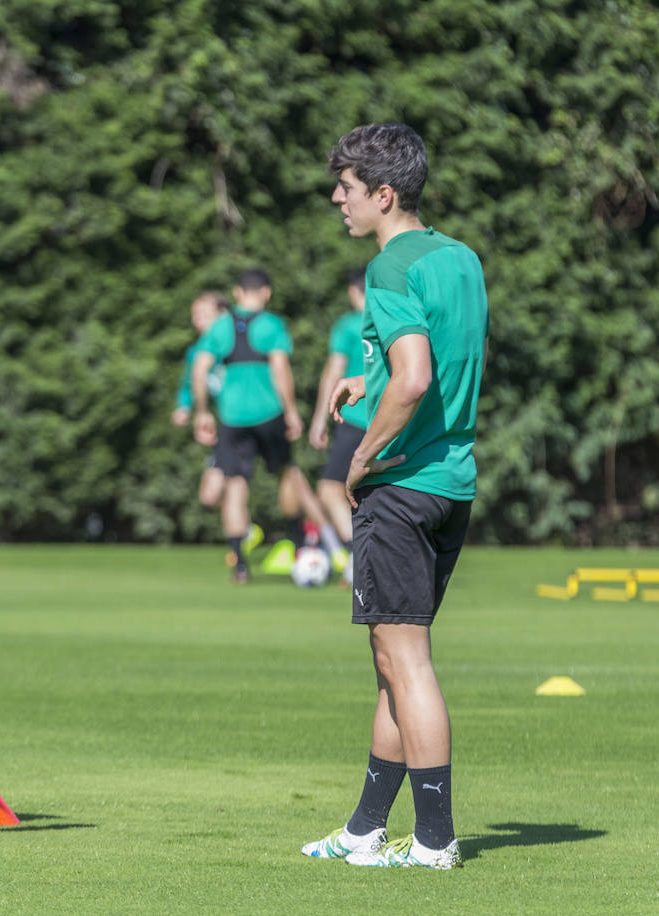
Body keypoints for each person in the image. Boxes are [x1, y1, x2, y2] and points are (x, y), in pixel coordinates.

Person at [301, 123, 487, 869]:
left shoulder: (387, 269)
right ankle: (365, 829)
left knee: (406, 660)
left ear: (383, 194)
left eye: (344, 188)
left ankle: (435, 840)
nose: (336, 200)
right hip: (452, 481)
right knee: (391, 656)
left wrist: (362, 460)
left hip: (402, 486)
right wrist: (363, 380)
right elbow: (432, 361)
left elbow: (413, 378)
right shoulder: (459, 256)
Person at [190, 269, 335, 584]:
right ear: (266, 293)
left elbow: (199, 368)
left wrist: (202, 412)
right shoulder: (272, 325)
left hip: (231, 417)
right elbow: (280, 369)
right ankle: (299, 543)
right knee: (286, 474)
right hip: (269, 414)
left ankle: (240, 566)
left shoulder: (220, 327)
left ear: (237, 292)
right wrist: (292, 411)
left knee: (235, 486)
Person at [307, 268, 368, 567]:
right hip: (397, 420)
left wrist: (319, 419)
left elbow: (333, 371)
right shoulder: (399, 322)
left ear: (353, 292)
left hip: (356, 419)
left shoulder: (348, 325)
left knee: (330, 489)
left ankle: (356, 558)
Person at [171, 291, 228, 511]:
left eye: (203, 314)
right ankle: (244, 531)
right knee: (209, 494)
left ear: (223, 314)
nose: (197, 320)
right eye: (194, 315)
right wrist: (184, 407)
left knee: (289, 476)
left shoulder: (238, 345)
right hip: (228, 428)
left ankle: (315, 537)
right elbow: (188, 384)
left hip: (256, 420)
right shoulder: (196, 353)